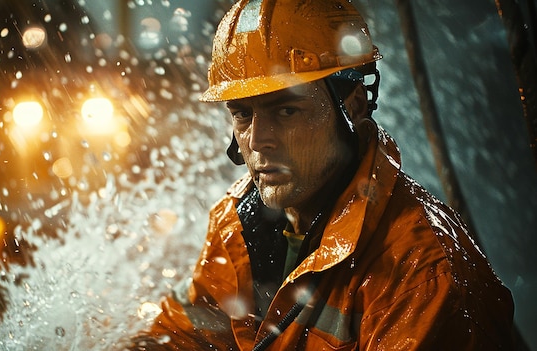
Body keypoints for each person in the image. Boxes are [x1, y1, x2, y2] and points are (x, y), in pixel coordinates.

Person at [130, 0, 515, 349]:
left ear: (355, 107)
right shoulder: (237, 226)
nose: (258, 140)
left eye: (286, 111)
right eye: (243, 113)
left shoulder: (420, 272)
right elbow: (179, 335)